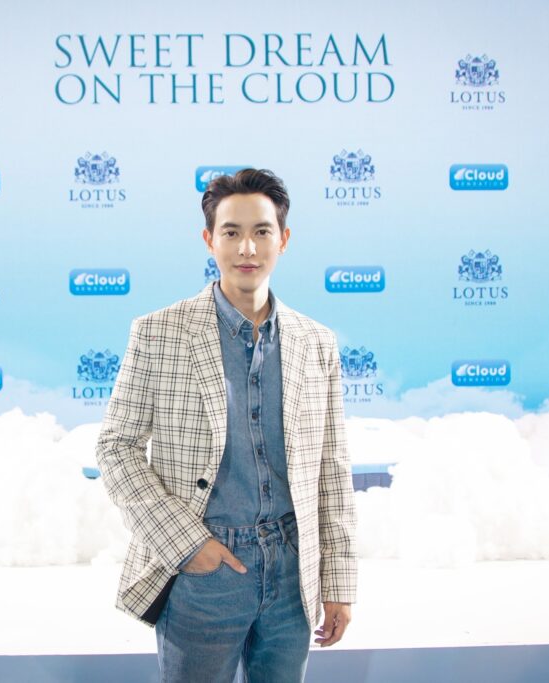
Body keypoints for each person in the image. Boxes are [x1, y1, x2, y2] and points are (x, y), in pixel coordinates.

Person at [96, 169, 357, 683]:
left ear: (283, 239)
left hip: (292, 571)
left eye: (261, 232)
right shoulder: (159, 333)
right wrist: (186, 544)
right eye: (231, 232)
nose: (247, 248)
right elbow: (116, 447)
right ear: (209, 240)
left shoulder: (316, 343)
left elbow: (332, 467)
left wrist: (339, 581)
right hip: (206, 569)